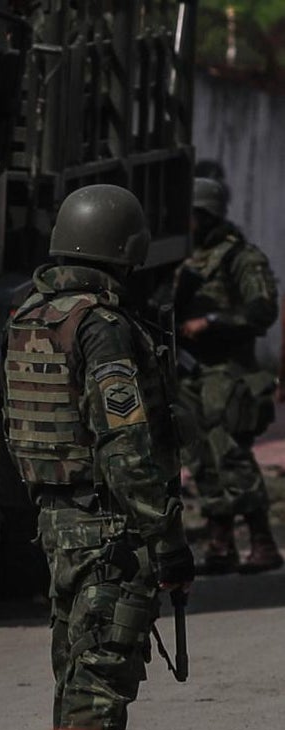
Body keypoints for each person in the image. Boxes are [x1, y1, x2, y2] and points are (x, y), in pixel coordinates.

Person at [2, 184, 196, 730]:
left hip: (59, 517)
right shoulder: (99, 324)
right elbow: (127, 445)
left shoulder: (29, 314)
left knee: (76, 668)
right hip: (108, 521)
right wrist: (166, 537)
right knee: (101, 673)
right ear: (121, 249)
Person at [173, 177, 282, 574]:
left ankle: (262, 542)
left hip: (228, 373)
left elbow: (262, 311)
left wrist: (212, 321)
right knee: (201, 458)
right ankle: (221, 544)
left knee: (231, 456)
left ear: (207, 215)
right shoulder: (184, 258)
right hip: (190, 373)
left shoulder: (240, 258)